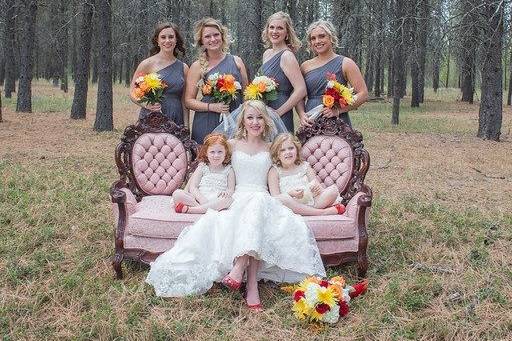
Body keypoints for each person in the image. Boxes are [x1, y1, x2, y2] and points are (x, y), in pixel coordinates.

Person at [146, 100, 326, 311]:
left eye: (259, 117)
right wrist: (199, 193)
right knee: (250, 211)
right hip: (237, 197)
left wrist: (302, 190)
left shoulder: (272, 148)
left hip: (262, 195)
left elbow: (284, 173)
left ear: (266, 121)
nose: (255, 122)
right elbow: (210, 165)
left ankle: (241, 271)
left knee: (258, 205)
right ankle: (251, 286)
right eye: (250, 117)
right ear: (242, 120)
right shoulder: (230, 145)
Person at [185, 18, 249, 144]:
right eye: (207, 36)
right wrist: (212, 107)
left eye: (216, 34)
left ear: (222, 36)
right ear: (201, 41)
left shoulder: (237, 61)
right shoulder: (197, 66)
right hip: (207, 121)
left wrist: (245, 119)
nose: (213, 39)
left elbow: (247, 95)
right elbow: (188, 101)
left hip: (235, 120)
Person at [297, 20, 368, 128]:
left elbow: (363, 94)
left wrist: (338, 110)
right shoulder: (305, 66)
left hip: (337, 123)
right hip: (311, 120)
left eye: (322, 36)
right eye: (313, 38)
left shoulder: (346, 63)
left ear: (331, 37)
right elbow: (299, 96)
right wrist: (302, 114)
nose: (317, 41)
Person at [268, 133, 345, 216]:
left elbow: (317, 187)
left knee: (333, 190)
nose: (288, 152)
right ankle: (323, 212)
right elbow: (275, 198)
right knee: (283, 199)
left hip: (310, 201)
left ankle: (308, 212)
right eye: (282, 150)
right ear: (277, 154)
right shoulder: (274, 171)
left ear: (296, 150)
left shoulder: (305, 166)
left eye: (291, 148)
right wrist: (291, 194)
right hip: (290, 205)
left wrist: (314, 189)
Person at [130, 22, 189, 126]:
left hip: (176, 118)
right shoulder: (147, 64)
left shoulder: (184, 68)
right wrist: (146, 105)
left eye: (171, 37)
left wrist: (186, 126)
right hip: (152, 117)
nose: (167, 40)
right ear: (157, 40)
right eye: (163, 37)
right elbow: (132, 93)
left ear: (176, 40)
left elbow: (184, 102)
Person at [260, 12, 306, 132]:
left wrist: (278, 113)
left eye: (280, 28)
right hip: (265, 110)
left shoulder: (287, 56)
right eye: (272, 27)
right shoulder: (267, 54)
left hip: (281, 111)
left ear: (287, 33)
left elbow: (301, 90)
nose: (275, 31)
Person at [172, 133, 234, 214]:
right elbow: (193, 187)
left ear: (225, 153)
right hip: (199, 197)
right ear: (206, 153)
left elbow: (231, 189)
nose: (216, 155)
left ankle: (192, 210)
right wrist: (202, 200)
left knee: (228, 200)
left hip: (216, 198)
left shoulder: (229, 169)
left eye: (220, 152)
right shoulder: (202, 167)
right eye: (212, 152)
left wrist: (227, 193)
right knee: (177, 194)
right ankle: (204, 208)